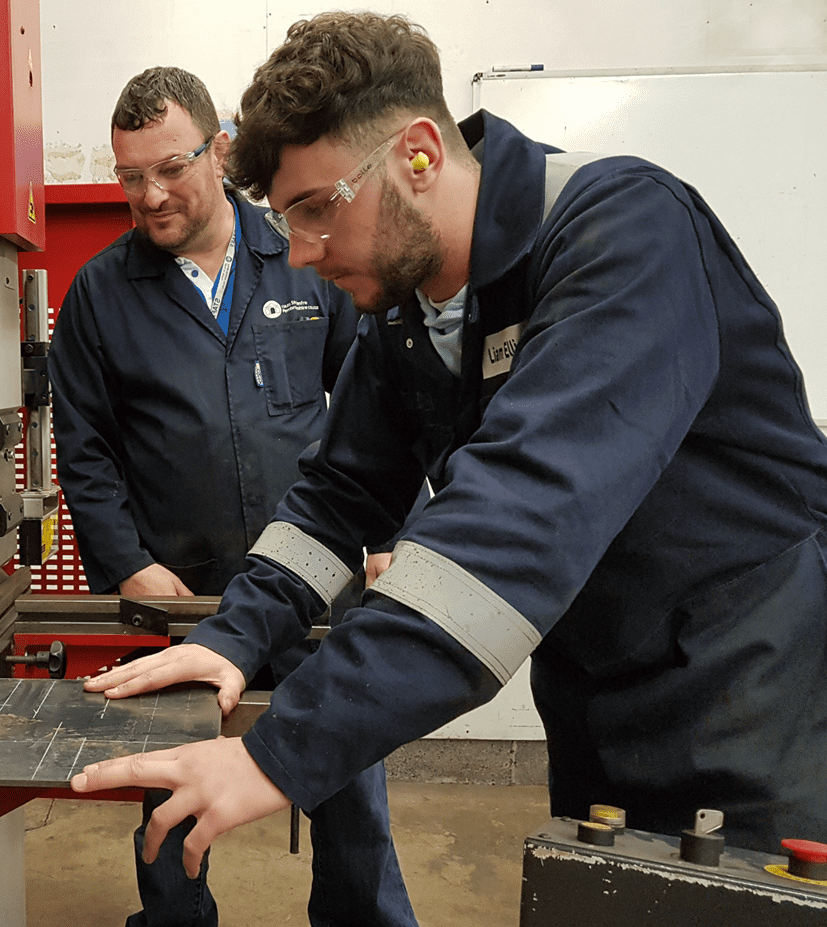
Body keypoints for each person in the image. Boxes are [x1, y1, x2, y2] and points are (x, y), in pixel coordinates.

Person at [71, 10, 827, 884]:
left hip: (748, 695)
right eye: (286, 218)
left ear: (420, 157)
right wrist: (235, 635)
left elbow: (513, 528)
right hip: (593, 686)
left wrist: (277, 751)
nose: (301, 253)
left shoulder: (622, 234)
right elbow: (339, 494)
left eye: (315, 209)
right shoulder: (407, 311)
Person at [48, 67, 418, 927]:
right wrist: (127, 565)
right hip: (183, 595)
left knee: (350, 786)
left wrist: (390, 531)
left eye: (169, 167)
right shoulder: (102, 292)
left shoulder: (304, 253)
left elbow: (380, 407)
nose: (149, 195)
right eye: (130, 175)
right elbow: (86, 451)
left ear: (218, 150)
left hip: (320, 585)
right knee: (172, 796)